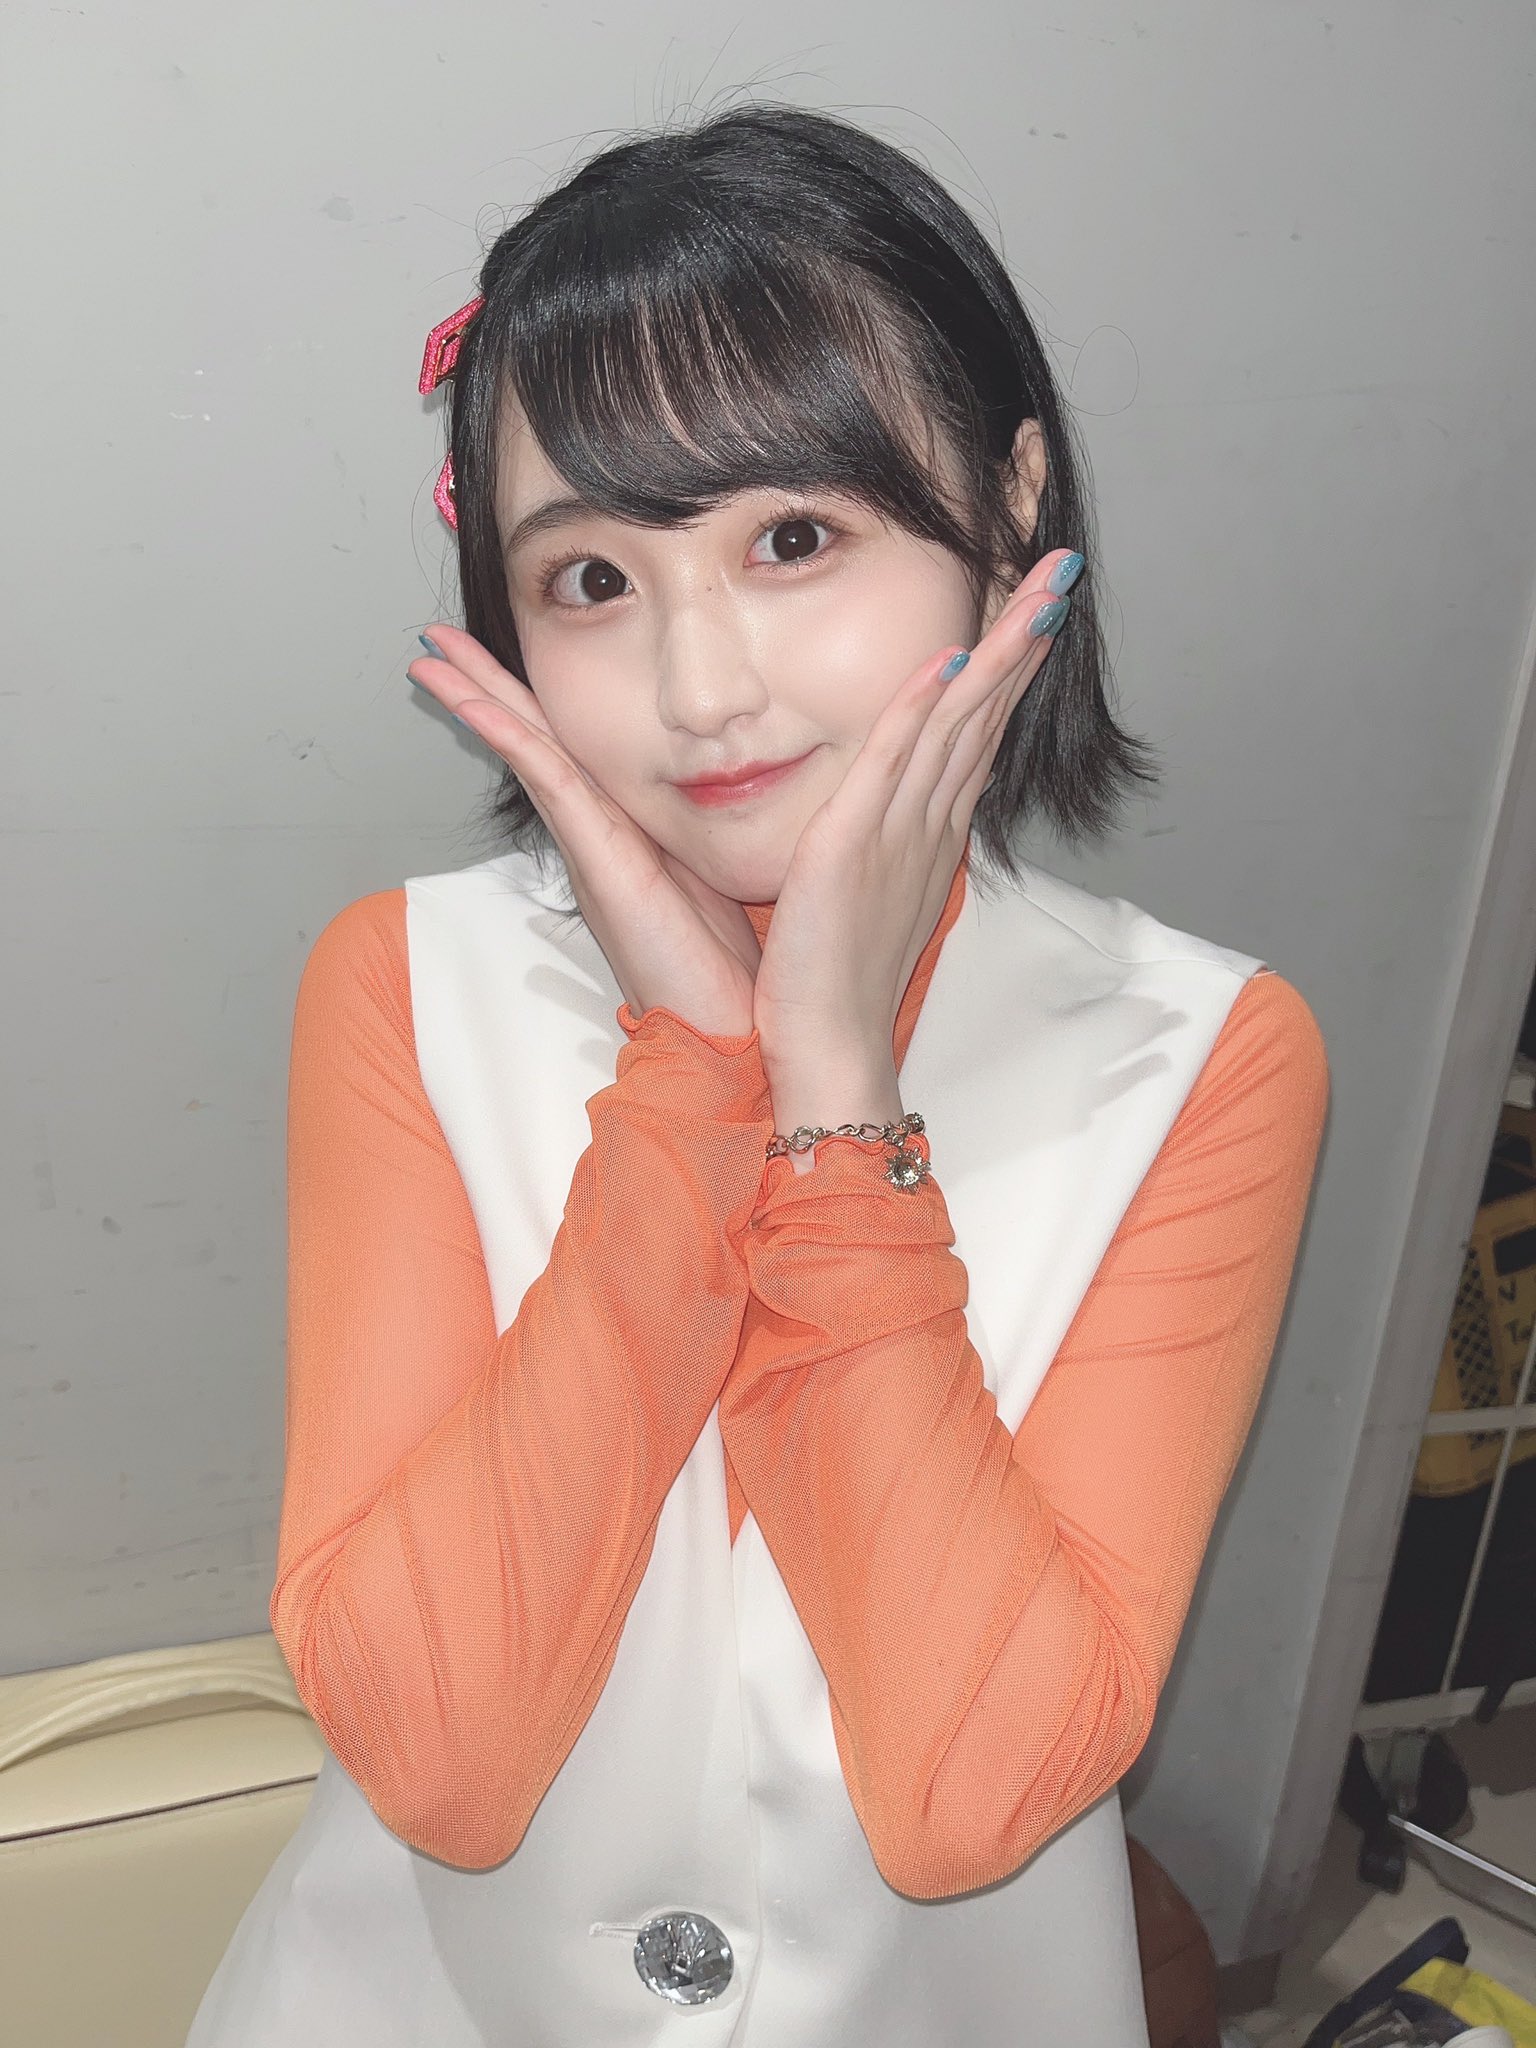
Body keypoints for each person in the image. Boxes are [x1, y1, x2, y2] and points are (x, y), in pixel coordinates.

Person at [186, 100, 1329, 2048]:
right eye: (593, 581)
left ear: (1012, 500)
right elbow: (439, 1758)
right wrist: (692, 1087)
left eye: (793, 538)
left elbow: (975, 1792)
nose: (702, 689)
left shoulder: (1205, 1054)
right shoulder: (403, 985)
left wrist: (835, 1108)